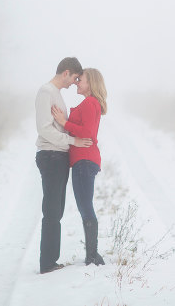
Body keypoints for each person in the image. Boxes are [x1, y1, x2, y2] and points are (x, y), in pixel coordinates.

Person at [35, 57, 93, 274]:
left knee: (56, 210)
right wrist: (73, 141)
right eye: (74, 78)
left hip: (58, 157)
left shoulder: (56, 94)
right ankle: (47, 264)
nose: (73, 83)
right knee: (51, 210)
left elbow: (58, 128)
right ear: (66, 72)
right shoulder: (46, 92)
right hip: (50, 156)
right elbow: (44, 129)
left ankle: (51, 260)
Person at [51, 67, 107, 266]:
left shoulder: (91, 102)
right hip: (83, 160)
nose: (76, 83)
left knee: (86, 207)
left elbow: (87, 132)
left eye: (80, 80)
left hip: (85, 160)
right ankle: (92, 255)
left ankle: (93, 256)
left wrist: (63, 122)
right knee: (85, 207)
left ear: (90, 83)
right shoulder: (89, 103)